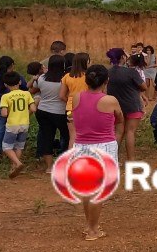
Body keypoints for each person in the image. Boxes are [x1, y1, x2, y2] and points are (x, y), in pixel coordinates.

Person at [70, 64, 123, 241]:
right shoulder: (110, 100)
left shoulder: (76, 97)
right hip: (104, 147)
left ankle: (90, 225)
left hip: (81, 146)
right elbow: (120, 119)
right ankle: (93, 230)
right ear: (106, 80)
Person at [106, 47, 146, 163]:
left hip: (115, 106)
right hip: (132, 105)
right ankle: (131, 159)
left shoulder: (108, 72)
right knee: (130, 132)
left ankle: (113, 159)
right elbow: (144, 86)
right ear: (123, 57)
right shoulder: (131, 72)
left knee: (118, 132)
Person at [35, 55, 70, 172]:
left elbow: (36, 89)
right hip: (60, 112)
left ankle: (49, 167)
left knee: (47, 138)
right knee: (67, 136)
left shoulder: (42, 78)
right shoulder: (65, 79)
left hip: (43, 111)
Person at [0, 71, 35, 178]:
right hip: (25, 123)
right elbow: (33, 108)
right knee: (19, 146)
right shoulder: (27, 94)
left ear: (5, 84)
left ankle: (18, 163)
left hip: (12, 124)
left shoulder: (5, 96)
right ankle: (14, 167)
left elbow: (4, 113)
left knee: (6, 147)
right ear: (19, 82)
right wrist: (26, 114)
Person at [0, 55, 27, 153]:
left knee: (0, 129)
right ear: (12, 65)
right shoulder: (16, 76)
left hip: (0, 106)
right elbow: (25, 88)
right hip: (14, 107)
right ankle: (12, 150)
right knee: (15, 129)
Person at [60, 52, 91, 140]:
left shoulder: (67, 76)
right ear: (86, 62)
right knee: (86, 135)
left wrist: (70, 101)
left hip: (70, 108)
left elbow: (61, 95)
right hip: (87, 107)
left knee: (73, 135)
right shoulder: (89, 77)